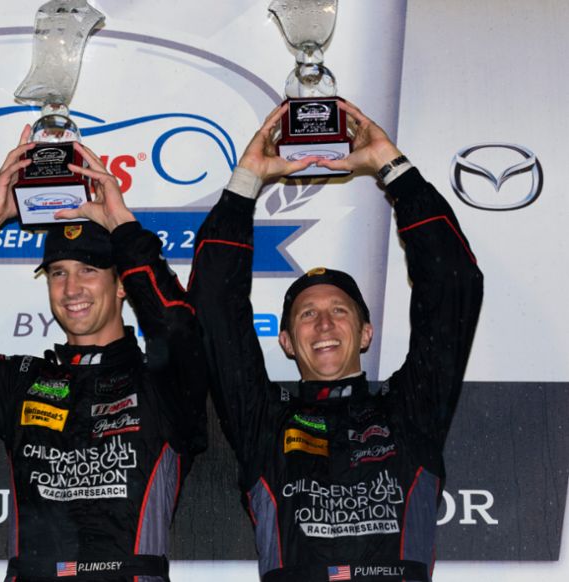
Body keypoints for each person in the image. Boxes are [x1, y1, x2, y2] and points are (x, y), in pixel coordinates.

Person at [0, 128, 208, 582]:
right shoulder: (23, 384)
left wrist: (125, 228)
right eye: (57, 273)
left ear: (120, 284)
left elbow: (177, 323)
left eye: (89, 271)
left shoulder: (162, 380)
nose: (71, 289)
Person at [188, 102, 483, 582]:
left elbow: (453, 285)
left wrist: (392, 167)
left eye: (339, 312)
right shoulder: (263, 418)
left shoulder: (411, 408)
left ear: (366, 333)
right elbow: (213, 309)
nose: (323, 325)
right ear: (285, 340)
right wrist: (247, 180)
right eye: (307, 315)